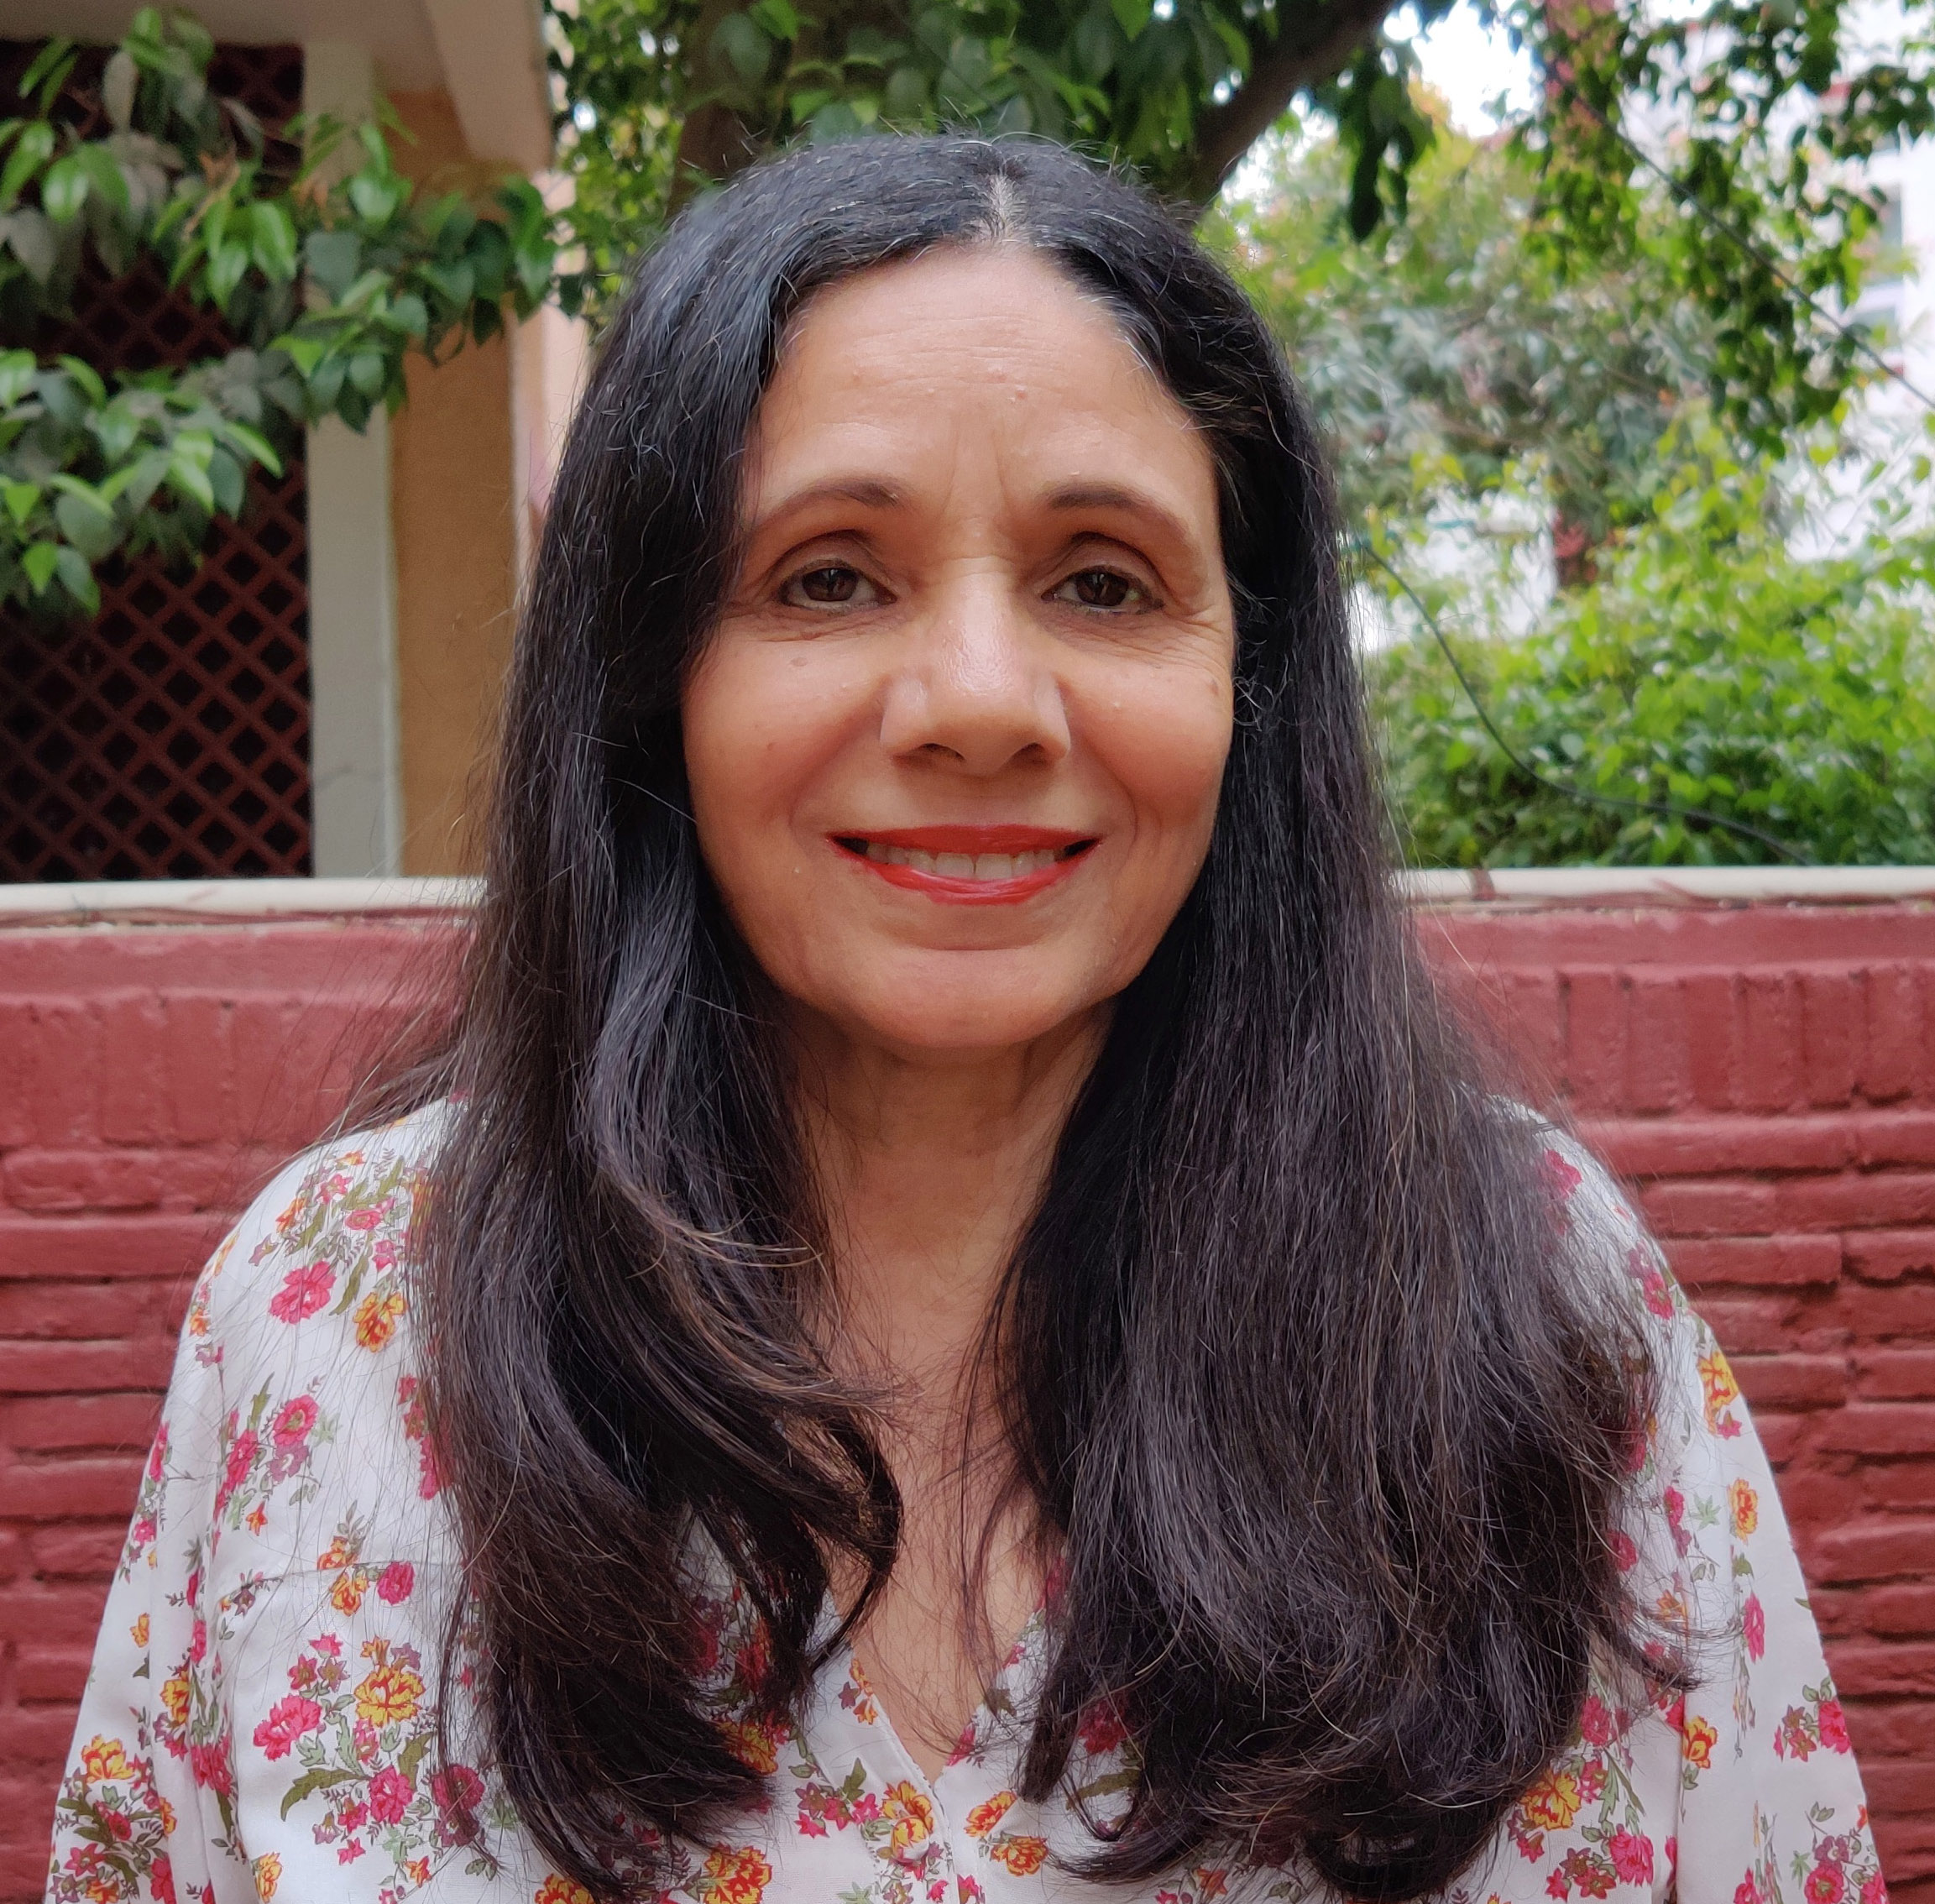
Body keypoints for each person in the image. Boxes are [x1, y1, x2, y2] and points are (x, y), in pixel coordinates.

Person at [49, 136, 1880, 1904]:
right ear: (645, 668)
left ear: (1251, 675)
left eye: (1103, 581)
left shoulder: (1536, 1297)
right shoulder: (338, 1318)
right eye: (828, 575)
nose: (982, 702)